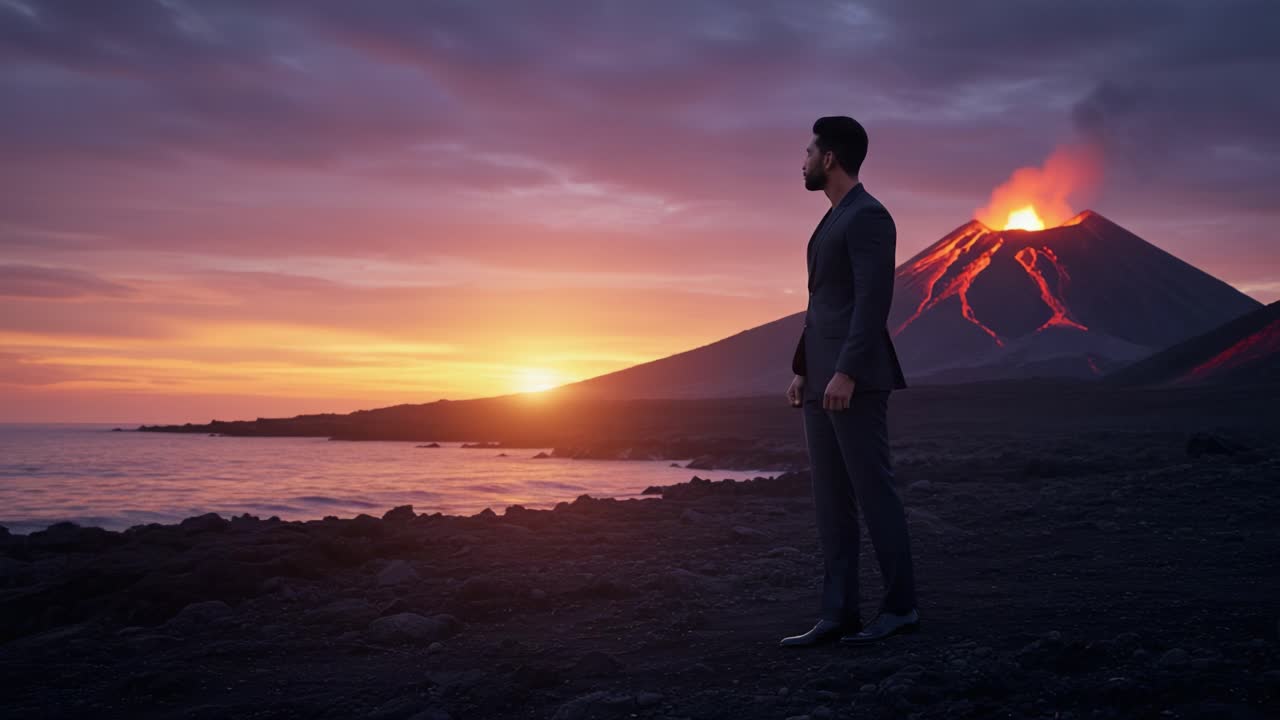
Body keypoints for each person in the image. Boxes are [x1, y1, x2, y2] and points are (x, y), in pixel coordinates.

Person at [779, 116, 918, 648]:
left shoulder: (869, 216)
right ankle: (838, 614)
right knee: (830, 500)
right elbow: (823, 303)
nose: (804, 161)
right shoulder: (831, 219)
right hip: (820, 379)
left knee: (873, 493)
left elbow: (872, 302)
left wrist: (847, 372)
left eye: (809, 151)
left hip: (851, 381)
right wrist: (803, 367)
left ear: (830, 158)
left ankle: (901, 609)